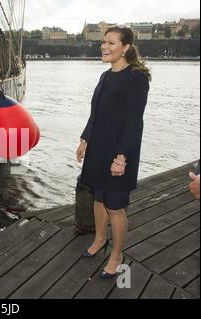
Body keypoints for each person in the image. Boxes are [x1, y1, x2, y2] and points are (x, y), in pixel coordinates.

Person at [76, 27, 151, 279]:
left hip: (120, 149)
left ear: (126, 47)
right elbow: (95, 111)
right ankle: (99, 239)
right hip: (98, 145)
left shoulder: (136, 77)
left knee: (115, 205)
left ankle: (117, 254)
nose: (104, 46)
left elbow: (133, 122)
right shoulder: (105, 76)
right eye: (102, 42)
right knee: (98, 197)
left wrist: (121, 157)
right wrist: (85, 138)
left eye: (110, 42)